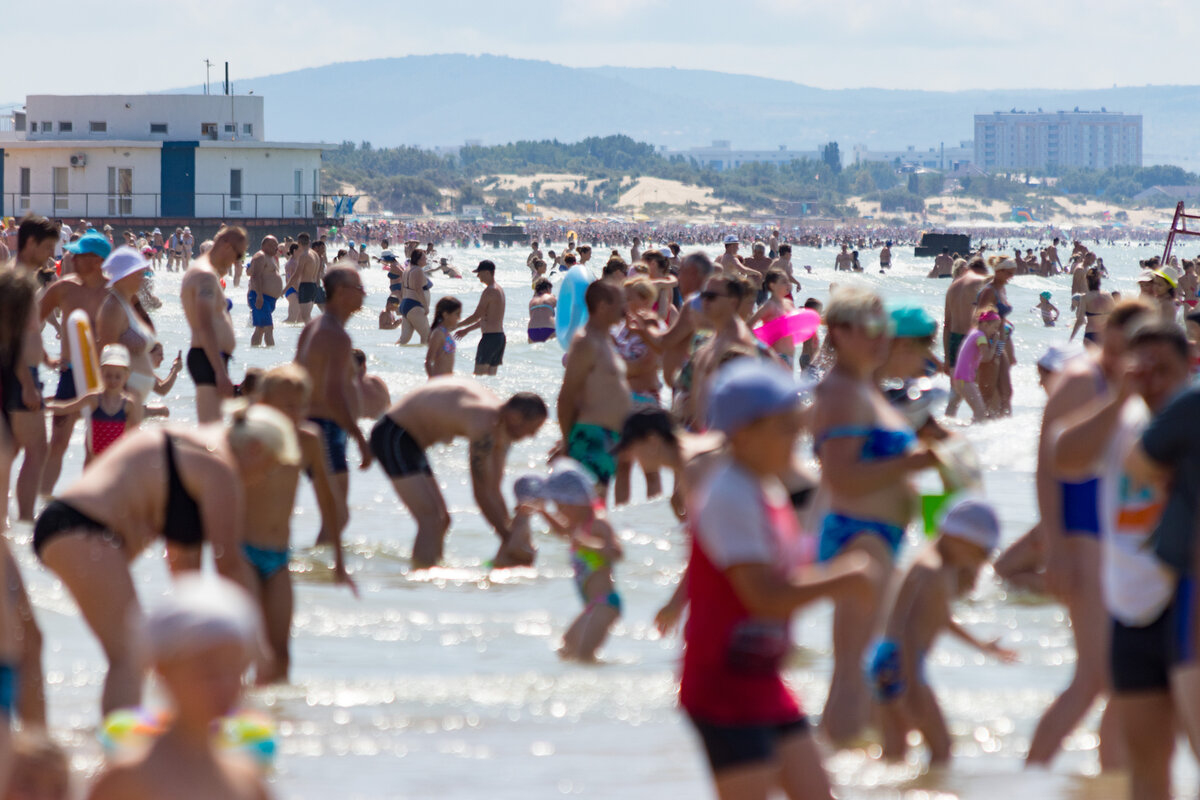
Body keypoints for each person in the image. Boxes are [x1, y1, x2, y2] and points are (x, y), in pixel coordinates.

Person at [682, 359, 878, 800]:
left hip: (763, 678)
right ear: (745, 432)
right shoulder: (729, 494)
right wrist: (843, 579)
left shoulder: (765, 488)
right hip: (724, 686)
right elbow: (765, 597)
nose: (798, 435)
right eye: (786, 426)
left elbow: (789, 571)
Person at [31, 407, 297, 713]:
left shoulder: (188, 449)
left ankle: (157, 739)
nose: (260, 479)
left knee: (137, 655)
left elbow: (183, 565)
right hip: (84, 529)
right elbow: (230, 563)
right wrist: (255, 643)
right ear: (255, 449)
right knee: (129, 656)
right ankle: (119, 749)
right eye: (267, 468)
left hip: (68, 526)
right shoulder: (218, 467)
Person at [1053, 322, 1193, 799]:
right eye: (1142, 366)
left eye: (1164, 369)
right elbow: (1063, 459)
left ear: (1188, 367)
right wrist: (1118, 397)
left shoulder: (1190, 417)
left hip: (1186, 600)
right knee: (1146, 765)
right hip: (1131, 607)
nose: (1151, 378)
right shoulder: (1121, 423)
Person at [1027, 301, 1152, 768]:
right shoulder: (1081, 380)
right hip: (1080, 535)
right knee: (1094, 674)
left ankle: (1112, 780)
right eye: (1120, 345)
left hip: (1123, 540)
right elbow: (1045, 467)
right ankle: (1031, 775)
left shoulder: (1143, 382)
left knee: (1127, 678)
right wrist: (1055, 548)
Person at [811, 286, 936, 745]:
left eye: (886, 328)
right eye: (872, 328)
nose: (883, 337)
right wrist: (913, 464)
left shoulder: (862, 389)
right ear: (840, 332)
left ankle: (845, 763)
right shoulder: (842, 392)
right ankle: (831, 772)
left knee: (863, 663)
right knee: (850, 668)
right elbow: (841, 478)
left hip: (875, 534)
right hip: (857, 535)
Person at [84, 576, 273, 800]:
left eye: (235, 670)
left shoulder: (247, 783)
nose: (224, 683)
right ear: (162, 668)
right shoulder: (126, 782)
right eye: (208, 670)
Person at [868, 499, 1016, 764]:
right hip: (905, 665)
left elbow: (941, 619)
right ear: (958, 539)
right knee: (941, 747)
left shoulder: (931, 560)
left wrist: (982, 645)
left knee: (894, 752)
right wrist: (913, 685)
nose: (982, 561)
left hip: (885, 659)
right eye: (981, 552)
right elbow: (911, 634)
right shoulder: (934, 572)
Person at [369, 380, 547, 567]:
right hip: (393, 433)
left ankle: (429, 574)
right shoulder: (484, 423)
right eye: (533, 429)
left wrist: (510, 536)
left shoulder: (502, 428)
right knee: (431, 519)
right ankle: (421, 579)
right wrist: (510, 540)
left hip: (412, 442)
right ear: (516, 417)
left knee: (442, 520)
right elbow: (481, 493)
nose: (532, 435)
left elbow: (494, 489)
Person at [248, 365, 353, 683]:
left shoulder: (309, 440)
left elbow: (330, 502)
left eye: (301, 406)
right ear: (264, 403)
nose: (295, 413)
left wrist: (339, 561)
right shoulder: (247, 438)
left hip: (278, 558)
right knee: (244, 648)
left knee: (281, 652)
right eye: (286, 405)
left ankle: (274, 718)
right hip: (241, 554)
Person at [511, 461, 623, 661]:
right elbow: (562, 530)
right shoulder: (579, 527)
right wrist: (542, 511)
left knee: (584, 657)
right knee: (566, 650)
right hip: (592, 606)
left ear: (578, 502)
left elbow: (616, 552)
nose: (559, 511)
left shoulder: (597, 523)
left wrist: (589, 545)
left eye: (561, 506)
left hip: (605, 604)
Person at [294, 267, 372, 545]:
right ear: (340, 292)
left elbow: (295, 379)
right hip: (324, 428)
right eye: (358, 288)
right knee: (337, 515)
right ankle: (318, 575)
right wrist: (360, 437)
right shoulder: (337, 336)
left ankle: (318, 574)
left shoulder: (313, 327)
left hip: (310, 425)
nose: (364, 293)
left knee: (335, 515)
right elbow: (333, 393)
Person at [37, 231, 113, 497]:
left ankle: (87, 502)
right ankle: (42, 504)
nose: (71, 257)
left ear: (95, 260)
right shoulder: (63, 287)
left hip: (105, 377)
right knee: (58, 442)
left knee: (97, 446)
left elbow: (137, 329)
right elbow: (32, 324)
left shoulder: (114, 291)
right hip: (69, 374)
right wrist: (45, 357)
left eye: (78, 254)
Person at [557, 282, 631, 492]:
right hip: (590, 437)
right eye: (620, 302)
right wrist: (567, 442)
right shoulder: (585, 342)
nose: (626, 308)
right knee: (586, 512)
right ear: (602, 306)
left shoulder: (605, 340)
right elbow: (567, 396)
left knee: (595, 510)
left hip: (608, 437)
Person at [182, 226, 245, 423]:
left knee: (215, 427)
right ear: (227, 246)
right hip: (208, 358)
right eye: (239, 255)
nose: (237, 262)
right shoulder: (205, 276)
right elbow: (204, 324)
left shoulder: (204, 273)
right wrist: (219, 371)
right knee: (211, 431)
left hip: (210, 356)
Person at [0, 267, 47, 524]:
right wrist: (29, 386)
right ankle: (22, 520)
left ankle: (12, 522)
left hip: (19, 381)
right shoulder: (12, 337)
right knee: (24, 449)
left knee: (12, 450)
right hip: (21, 381)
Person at [47, 345, 142, 464]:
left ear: (126, 376)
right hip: (97, 459)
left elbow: (134, 434)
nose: (113, 380)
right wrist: (45, 407)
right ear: (101, 374)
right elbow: (66, 408)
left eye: (117, 377)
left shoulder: (128, 404)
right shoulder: (94, 398)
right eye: (108, 376)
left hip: (118, 458)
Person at [455, 261, 507, 377]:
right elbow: (487, 318)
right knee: (490, 379)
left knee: (479, 377)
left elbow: (476, 316)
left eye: (479, 273)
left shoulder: (490, 291)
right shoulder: (499, 289)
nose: (478, 276)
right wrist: (467, 330)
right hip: (499, 338)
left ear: (488, 273)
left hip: (490, 339)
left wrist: (456, 325)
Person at [951, 307, 1001, 422]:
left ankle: (965, 430)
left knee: (979, 412)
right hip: (964, 379)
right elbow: (987, 357)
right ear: (984, 324)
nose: (995, 331)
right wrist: (995, 344)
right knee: (980, 413)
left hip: (961, 379)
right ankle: (969, 434)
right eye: (994, 327)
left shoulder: (974, 333)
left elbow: (980, 359)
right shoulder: (980, 337)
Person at [747, 269, 798, 367]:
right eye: (783, 282)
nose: (788, 284)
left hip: (790, 357)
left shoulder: (789, 303)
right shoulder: (769, 305)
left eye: (788, 281)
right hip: (776, 357)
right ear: (772, 285)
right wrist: (761, 348)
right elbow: (747, 328)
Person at [247, 236, 282, 348]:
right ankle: (270, 355)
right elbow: (255, 276)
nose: (275, 248)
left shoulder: (271, 257)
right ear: (264, 245)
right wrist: (259, 295)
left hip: (269, 299)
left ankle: (257, 353)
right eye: (272, 245)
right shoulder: (260, 256)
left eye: (276, 246)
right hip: (261, 297)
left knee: (261, 328)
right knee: (268, 328)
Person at [397, 248, 432, 345]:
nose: (426, 260)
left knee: (403, 340)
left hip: (406, 304)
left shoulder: (407, 270)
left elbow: (403, 289)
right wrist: (426, 307)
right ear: (418, 260)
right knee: (427, 336)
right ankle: (422, 358)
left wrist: (402, 305)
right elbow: (418, 289)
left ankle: (390, 354)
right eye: (424, 258)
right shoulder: (417, 270)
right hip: (414, 306)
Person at [283, 233, 320, 323]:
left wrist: (285, 289)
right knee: (303, 318)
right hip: (314, 286)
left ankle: (314, 334)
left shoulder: (304, 256)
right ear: (309, 241)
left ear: (299, 243)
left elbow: (296, 275)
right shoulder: (315, 254)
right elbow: (318, 271)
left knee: (305, 317)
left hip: (305, 286)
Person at [1071, 268, 1114, 345]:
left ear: (1087, 281)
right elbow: (1115, 316)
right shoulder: (1108, 295)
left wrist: (1071, 338)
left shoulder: (1085, 297)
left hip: (1090, 335)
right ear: (1099, 281)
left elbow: (1080, 320)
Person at [425, 297, 462, 378]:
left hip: (447, 380)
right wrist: (433, 381)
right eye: (457, 314)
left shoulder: (446, 333)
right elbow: (428, 362)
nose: (459, 318)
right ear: (445, 315)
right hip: (439, 381)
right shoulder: (438, 333)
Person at [351, 349, 390, 420]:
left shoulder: (350, 385)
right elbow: (389, 406)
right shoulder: (378, 381)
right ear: (364, 364)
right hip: (383, 424)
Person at [528, 278, 556, 343]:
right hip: (548, 329)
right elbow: (564, 307)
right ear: (548, 288)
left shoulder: (532, 302)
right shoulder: (550, 297)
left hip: (532, 331)